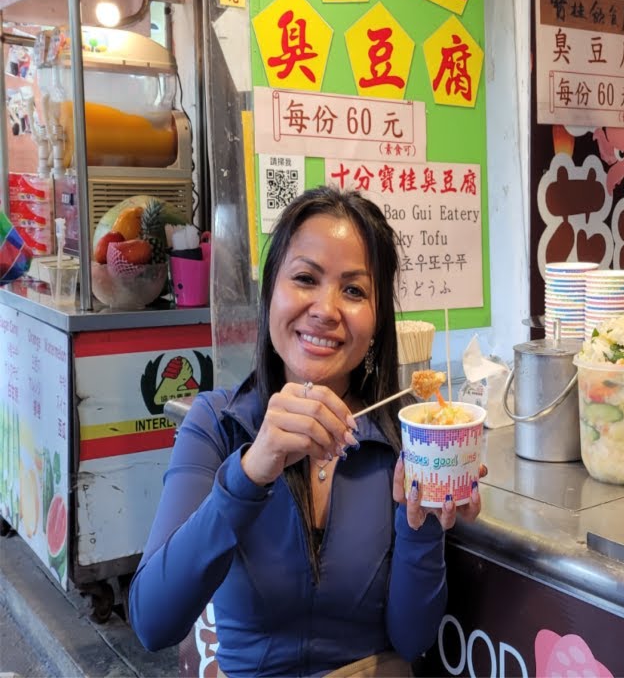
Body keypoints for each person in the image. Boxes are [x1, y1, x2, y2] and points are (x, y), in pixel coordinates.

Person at [129, 187, 482, 675]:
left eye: (354, 290)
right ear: (271, 291)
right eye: (304, 278)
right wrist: (253, 469)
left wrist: (420, 525)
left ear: (378, 320)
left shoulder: (400, 439)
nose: (325, 309)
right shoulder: (218, 425)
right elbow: (153, 622)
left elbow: (413, 637)